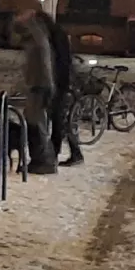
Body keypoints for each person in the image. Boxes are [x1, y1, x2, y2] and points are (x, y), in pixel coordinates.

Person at [13, 9, 59, 174]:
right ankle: (40, 159)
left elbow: (44, 67)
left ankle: (44, 161)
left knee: (38, 126)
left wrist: (47, 87)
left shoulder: (38, 42)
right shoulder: (35, 41)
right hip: (36, 87)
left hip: (39, 88)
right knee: (35, 124)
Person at [38, 9, 83, 167]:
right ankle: (71, 153)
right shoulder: (56, 34)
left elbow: (61, 62)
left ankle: (56, 155)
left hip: (62, 84)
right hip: (62, 83)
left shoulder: (55, 37)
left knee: (59, 120)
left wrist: (58, 84)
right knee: (61, 121)